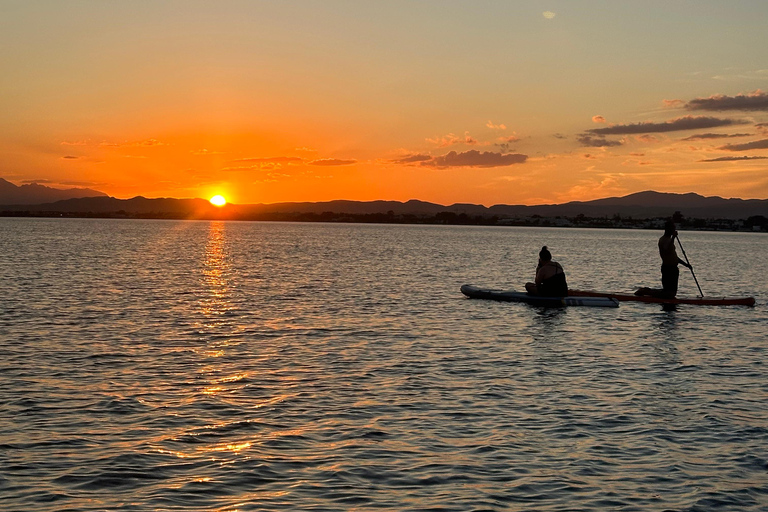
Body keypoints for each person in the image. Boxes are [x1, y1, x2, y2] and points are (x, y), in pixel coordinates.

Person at [636, 220, 692, 298]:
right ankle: (647, 292)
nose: (674, 230)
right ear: (668, 229)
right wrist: (673, 238)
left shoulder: (669, 240)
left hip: (673, 269)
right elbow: (666, 250)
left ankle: (648, 291)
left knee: (671, 293)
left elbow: (674, 257)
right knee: (669, 293)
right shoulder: (664, 240)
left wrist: (686, 265)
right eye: (672, 228)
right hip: (668, 268)